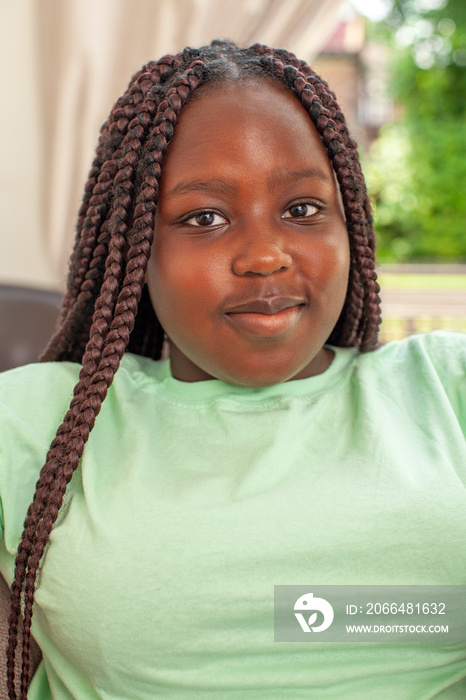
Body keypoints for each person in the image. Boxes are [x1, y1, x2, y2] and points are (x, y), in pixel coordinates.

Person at [0, 40, 465, 700]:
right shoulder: (34, 423)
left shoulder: (448, 389)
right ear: (134, 251)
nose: (265, 256)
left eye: (302, 209)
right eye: (205, 217)